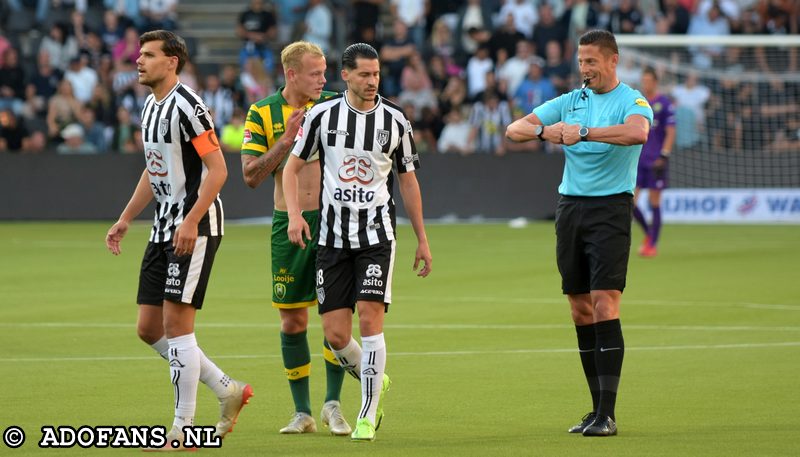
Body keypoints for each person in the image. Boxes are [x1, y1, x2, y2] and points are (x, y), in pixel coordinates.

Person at [104, 30, 252, 450]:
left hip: (195, 227)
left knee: (177, 326)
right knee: (148, 328)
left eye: (148, 55)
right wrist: (126, 218)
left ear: (172, 62)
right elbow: (155, 170)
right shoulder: (150, 105)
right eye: (139, 54)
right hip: (162, 226)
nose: (139, 60)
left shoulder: (190, 106)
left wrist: (190, 220)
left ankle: (182, 429)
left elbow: (219, 170)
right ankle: (227, 388)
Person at [506, 29, 653, 437]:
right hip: (570, 208)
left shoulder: (631, 100)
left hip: (610, 208)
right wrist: (544, 132)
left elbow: (637, 133)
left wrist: (584, 133)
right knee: (579, 308)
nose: (584, 68)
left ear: (612, 61)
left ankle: (608, 413)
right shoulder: (571, 100)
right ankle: (593, 410)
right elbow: (514, 128)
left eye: (591, 61)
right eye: (581, 61)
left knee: (605, 302)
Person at [283, 42, 432, 442]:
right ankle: (375, 376)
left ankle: (366, 414)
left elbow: (408, 180)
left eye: (377, 74)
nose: (372, 81)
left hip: (376, 237)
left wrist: (422, 238)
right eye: (364, 74)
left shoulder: (396, 119)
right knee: (334, 334)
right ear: (345, 75)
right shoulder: (321, 116)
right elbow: (291, 168)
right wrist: (295, 214)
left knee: (369, 318)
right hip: (332, 239)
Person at [240, 40, 351, 436]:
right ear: (291, 74)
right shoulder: (263, 112)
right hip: (287, 224)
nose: (324, 79)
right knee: (292, 322)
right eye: (315, 73)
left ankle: (333, 406)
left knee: (336, 316)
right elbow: (251, 175)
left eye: (325, 72)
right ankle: (302, 412)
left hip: (335, 221)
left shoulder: (339, 105)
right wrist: (285, 140)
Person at [633, 67, 675, 258]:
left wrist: (664, 155)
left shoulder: (664, 103)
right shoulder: (638, 104)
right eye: (644, 80)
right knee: (629, 202)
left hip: (656, 160)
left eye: (649, 80)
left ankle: (652, 244)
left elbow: (671, 131)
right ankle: (650, 234)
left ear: (656, 82)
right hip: (638, 159)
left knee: (654, 201)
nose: (646, 83)